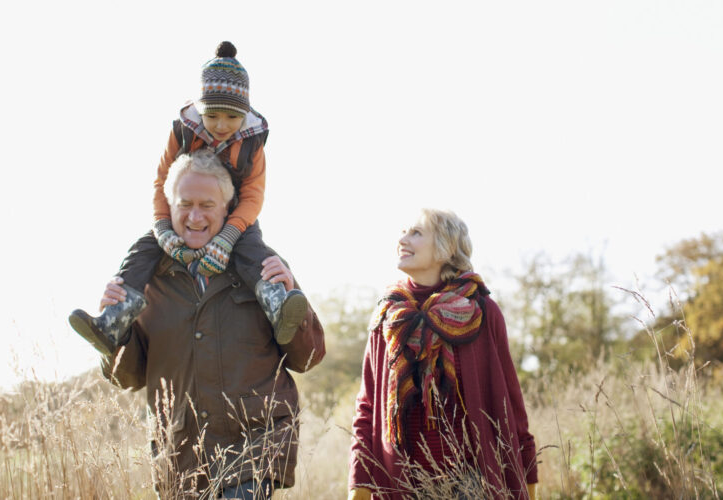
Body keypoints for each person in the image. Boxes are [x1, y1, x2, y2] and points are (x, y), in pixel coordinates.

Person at [99, 150, 325, 498]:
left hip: (253, 450)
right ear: (168, 206)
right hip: (180, 458)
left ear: (228, 208)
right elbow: (126, 377)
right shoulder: (146, 282)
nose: (194, 216)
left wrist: (294, 295)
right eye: (185, 203)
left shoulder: (261, 268)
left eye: (207, 204)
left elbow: (308, 358)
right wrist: (115, 334)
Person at [69, 40, 306, 356]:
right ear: (201, 109)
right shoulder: (183, 131)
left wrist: (229, 235)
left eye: (231, 118)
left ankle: (277, 305)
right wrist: (163, 227)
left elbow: (253, 196)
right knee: (141, 252)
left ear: (245, 113)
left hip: (236, 218)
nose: (222, 126)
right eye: (213, 116)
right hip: (177, 218)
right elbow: (161, 183)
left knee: (254, 253)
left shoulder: (253, 143)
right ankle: (113, 320)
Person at [348, 209, 538, 499]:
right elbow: (367, 408)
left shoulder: (483, 312)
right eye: (402, 231)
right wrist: (358, 485)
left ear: (446, 248)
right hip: (402, 484)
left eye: (416, 233)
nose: (403, 239)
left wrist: (527, 477)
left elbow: (510, 403)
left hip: (472, 484)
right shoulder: (388, 317)